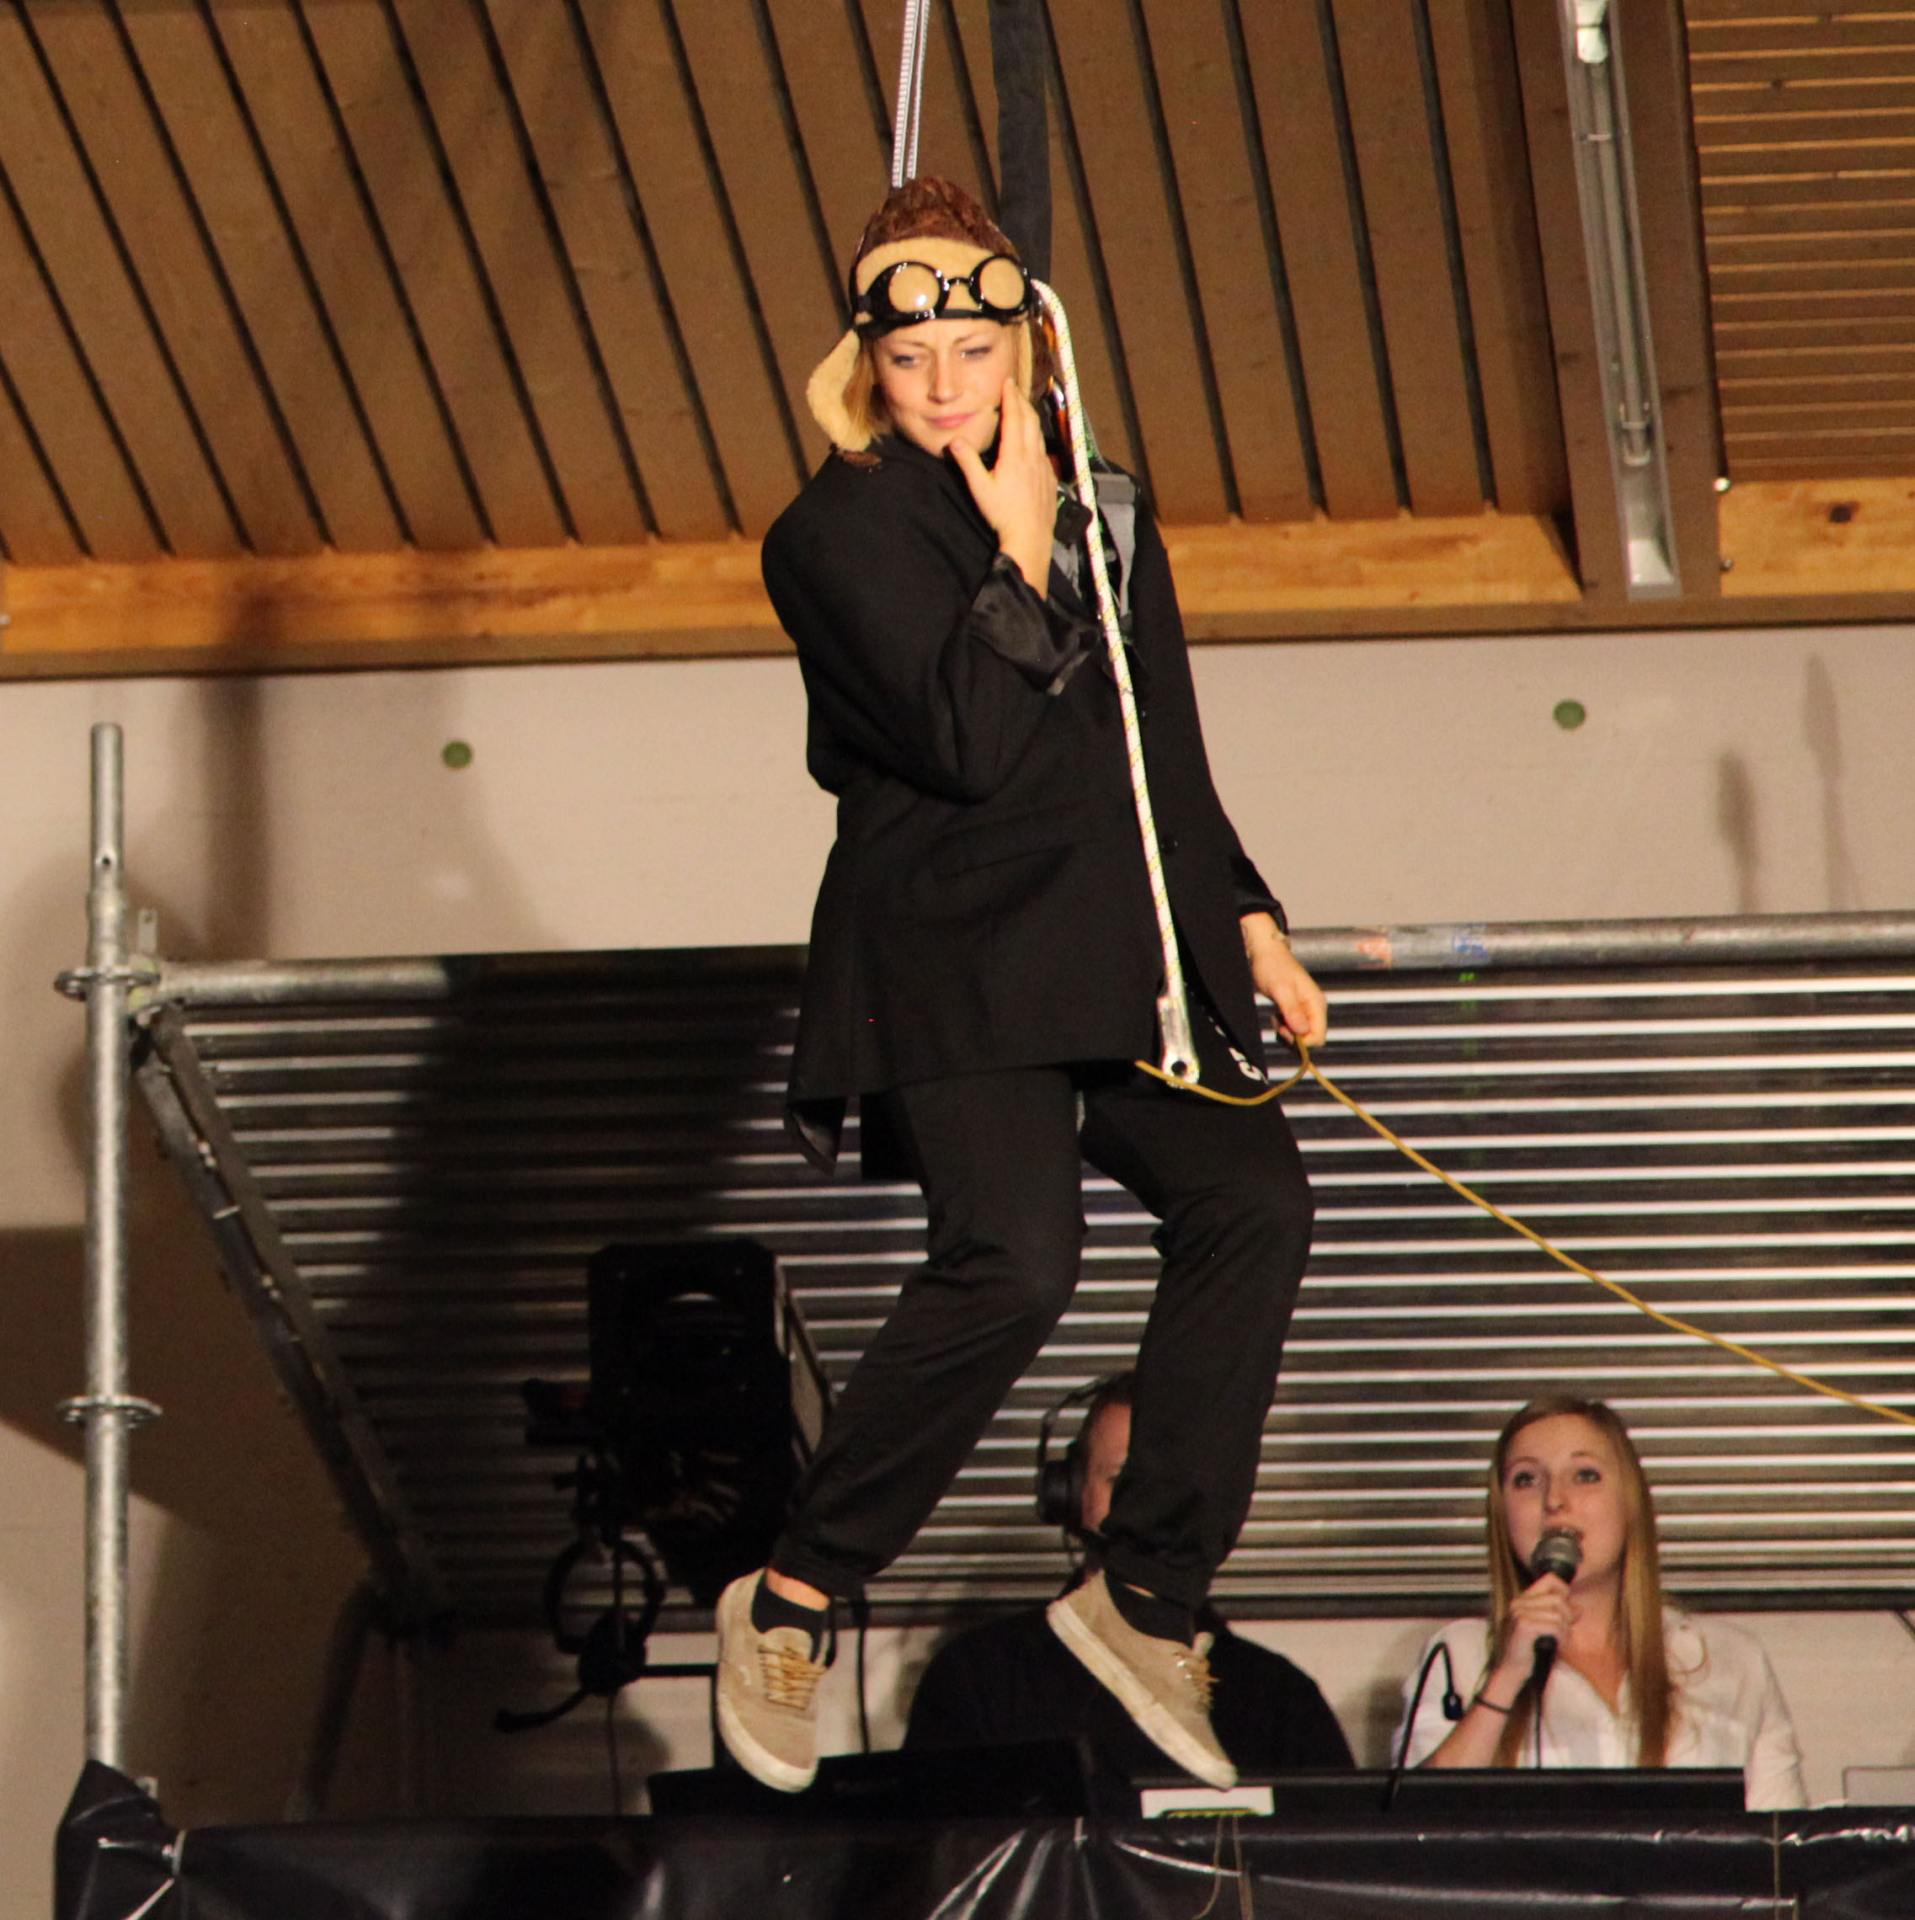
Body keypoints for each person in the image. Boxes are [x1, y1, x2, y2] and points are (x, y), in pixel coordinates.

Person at [711, 176, 1325, 1796]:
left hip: (1109, 940)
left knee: (1256, 1197)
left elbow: (1153, 739)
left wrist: (1245, 918)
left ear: (1023, 348)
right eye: (910, 355)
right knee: (1016, 1259)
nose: (942, 384)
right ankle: (796, 1592)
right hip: (951, 951)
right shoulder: (832, 532)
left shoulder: (1102, 505)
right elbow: (969, 742)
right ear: (865, 360)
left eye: (972, 351)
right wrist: (1017, 542)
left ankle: (1148, 1594)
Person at [903, 1375, 1353, 1776]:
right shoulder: (979, 1680)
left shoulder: (1281, 1701)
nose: (1147, 1511)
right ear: (1069, 1493)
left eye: (1170, 1489)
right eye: (1123, 1482)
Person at [1395, 1396, 1806, 1809]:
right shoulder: (1458, 1656)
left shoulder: (1731, 1659)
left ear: (1629, 1502)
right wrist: (1507, 1676)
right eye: (1526, 1479)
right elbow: (1416, 1827)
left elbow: (1781, 1839)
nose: (1555, 1500)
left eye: (1585, 1475)